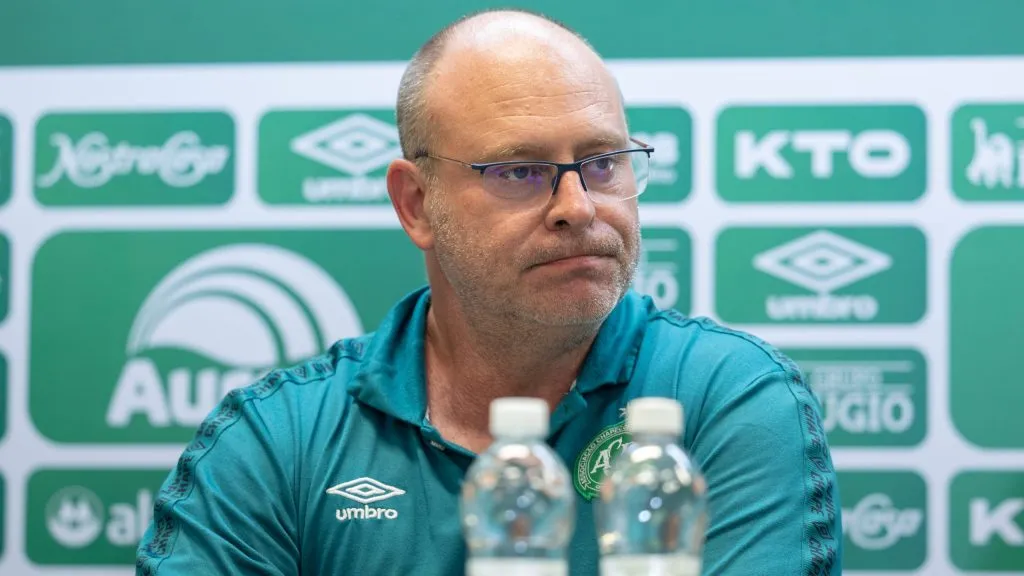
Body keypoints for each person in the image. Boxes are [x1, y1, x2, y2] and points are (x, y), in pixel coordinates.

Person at [135, 8, 842, 576]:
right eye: (519, 172)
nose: (578, 208)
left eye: (602, 163)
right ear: (416, 204)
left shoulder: (729, 399)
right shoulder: (279, 438)